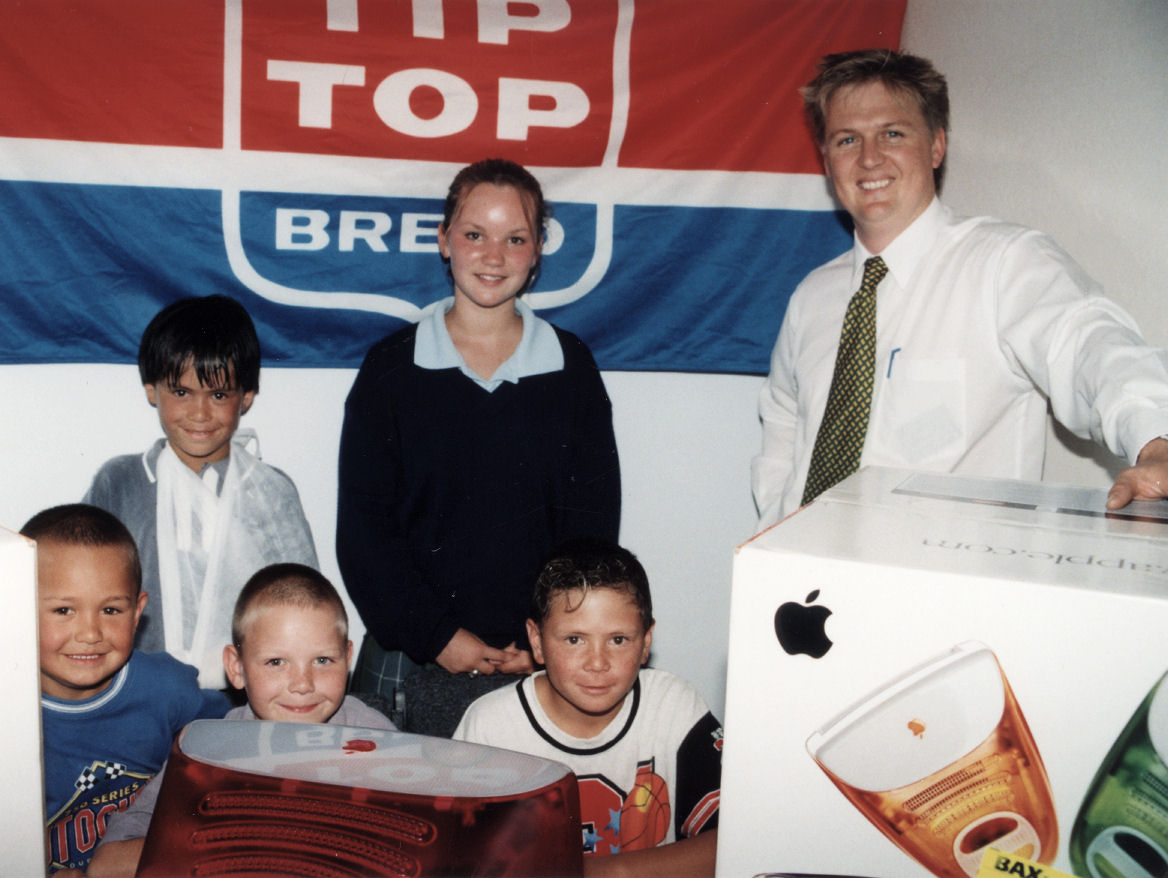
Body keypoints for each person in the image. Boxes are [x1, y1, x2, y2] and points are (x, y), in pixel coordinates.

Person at [752, 48, 1168, 527]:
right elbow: (782, 419)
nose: (869, 158)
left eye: (892, 133)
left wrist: (1156, 441)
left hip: (944, 592)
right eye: (847, 139)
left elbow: (1088, 342)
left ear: (936, 145)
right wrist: (775, 523)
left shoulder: (1004, 264)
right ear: (827, 160)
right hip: (804, 584)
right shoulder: (811, 297)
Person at [337, 158, 621, 706]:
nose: (494, 256)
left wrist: (541, 638)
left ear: (537, 251)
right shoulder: (390, 370)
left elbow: (592, 530)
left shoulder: (572, 368)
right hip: (413, 657)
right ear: (445, 241)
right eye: (474, 234)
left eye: (515, 238)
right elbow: (364, 533)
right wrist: (438, 636)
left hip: (536, 659)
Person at [86, 562, 396, 878]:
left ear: (347, 659)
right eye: (276, 662)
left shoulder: (377, 738)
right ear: (236, 668)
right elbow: (108, 864)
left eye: (322, 660)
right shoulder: (206, 751)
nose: (302, 684)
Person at [84, 294, 318, 687]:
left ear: (246, 398)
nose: (199, 413)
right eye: (181, 392)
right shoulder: (120, 482)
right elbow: (84, 589)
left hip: (244, 698)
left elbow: (305, 605)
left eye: (219, 395)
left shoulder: (270, 491)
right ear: (151, 390)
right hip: (137, 690)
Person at [454, 541, 721, 878]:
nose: (597, 663)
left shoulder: (674, 706)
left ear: (646, 641)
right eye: (574, 640)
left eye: (618, 640)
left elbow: (733, 842)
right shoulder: (488, 728)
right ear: (536, 641)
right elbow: (456, 856)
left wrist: (605, 873)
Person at [22, 504, 230, 875]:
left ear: (137, 611)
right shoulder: (11, 715)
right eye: (64, 611)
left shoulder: (166, 688)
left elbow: (238, 734)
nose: (90, 634)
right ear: (15, 608)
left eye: (111, 611)